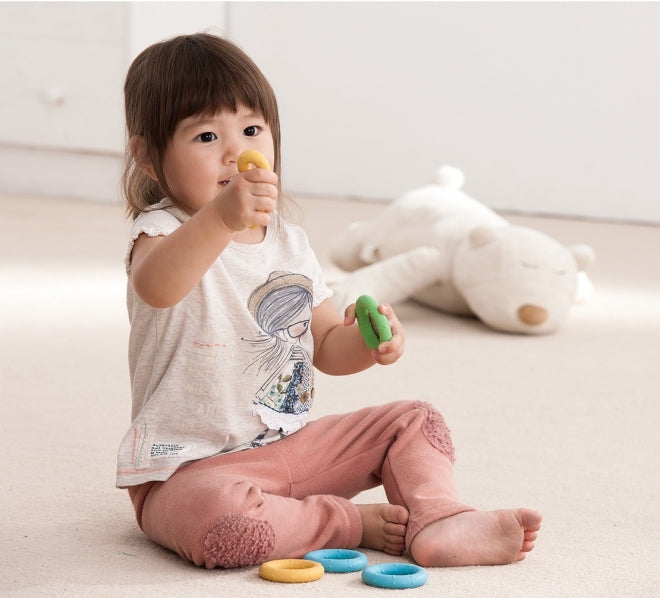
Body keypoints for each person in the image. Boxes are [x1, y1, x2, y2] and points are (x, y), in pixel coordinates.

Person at [116, 32, 541, 570]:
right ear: (149, 158)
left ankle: (438, 517)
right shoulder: (160, 231)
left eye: (251, 130)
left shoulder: (288, 242)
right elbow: (157, 286)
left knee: (413, 420)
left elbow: (324, 346)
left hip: (290, 448)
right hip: (187, 471)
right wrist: (221, 219)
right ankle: (345, 523)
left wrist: (366, 340)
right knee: (220, 519)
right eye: (205, 136)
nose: (235, 152)